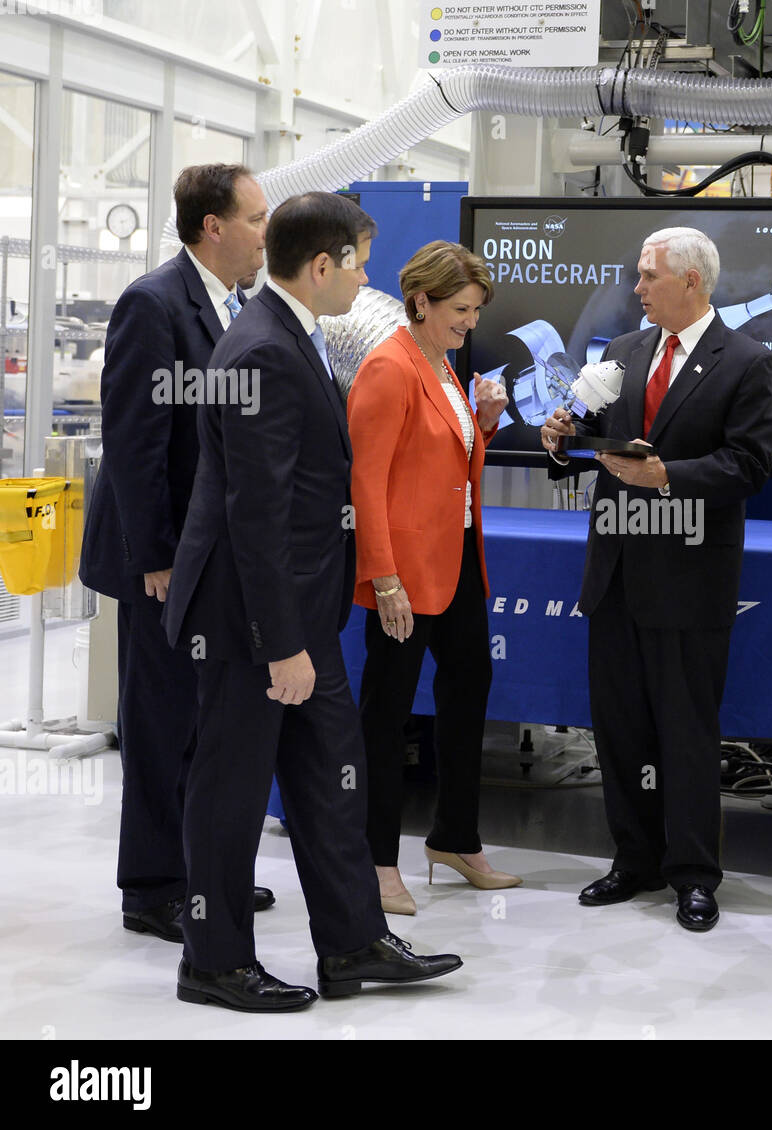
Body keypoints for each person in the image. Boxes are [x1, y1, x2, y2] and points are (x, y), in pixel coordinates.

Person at [161, 192, 461, 1011]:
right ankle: (213, 960)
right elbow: (253, 516)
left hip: (297, 615)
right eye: (360, 262)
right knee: (228, 793)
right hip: (250, 622)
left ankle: (354, 943)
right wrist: (279, 645)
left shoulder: (292, 334)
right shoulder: (261, 351)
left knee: (335, 777)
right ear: (323, 265)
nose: (366, 280)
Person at [541, 227, 772, 933]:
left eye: (649, 276)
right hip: (615, 574)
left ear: (693, 283)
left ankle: (693, 875)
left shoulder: (746, 360)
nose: (637, 288)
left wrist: (666, 475)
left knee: (685, 735)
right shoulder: (622, 351)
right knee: (619, 733)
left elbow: (749, 467)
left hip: (687, 581)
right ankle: (632, 859)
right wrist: (562, 441)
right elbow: (592, 442)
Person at [80, 164, 275, 943]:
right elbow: (134, 445)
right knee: (160, 722)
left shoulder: (234, 306)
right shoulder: (154, 304)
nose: (267, 232)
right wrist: (157, 556)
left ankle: (203, 874)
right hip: (160, 559)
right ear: (212, 227)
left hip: (204, 555)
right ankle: (154, 886)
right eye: (257, 218)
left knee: (203, 723)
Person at [347, 241, 514, 913]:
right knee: (386, 717)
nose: (470, 322)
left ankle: (455, 838)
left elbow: (443, 462)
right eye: (461, 309)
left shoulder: (440, 366)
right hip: (408, 576)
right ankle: (376, 857)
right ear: (422, 301)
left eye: (475, 311)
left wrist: (489, 425)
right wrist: (384, 580)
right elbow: (369, 482)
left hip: (460, 564)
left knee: (469, 693)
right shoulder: (389, 367)